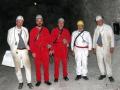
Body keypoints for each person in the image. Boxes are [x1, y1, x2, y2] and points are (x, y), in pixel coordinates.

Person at [7, 15, 33, 89]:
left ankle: (29, 82)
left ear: (22, 22)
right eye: (18, 21)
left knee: (28, 67)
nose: (20, 22)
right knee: (17, 68)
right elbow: (9, 41)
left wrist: (25, 45)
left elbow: (27, 38)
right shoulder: (11, 30)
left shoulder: (25, 29)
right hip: (16, 51)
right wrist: (14, 48)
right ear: (16, 22)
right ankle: (20, 82)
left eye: (21, 21)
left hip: (24, 50)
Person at [29, 14, 52, 86]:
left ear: (42, 21)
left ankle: (46, 80)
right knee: (37, 67)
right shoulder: (32, 30)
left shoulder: (46, 30)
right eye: (38, 21)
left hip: (45, 50)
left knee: (46, 66)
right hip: (37, 51)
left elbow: (50, 40)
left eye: (40, 21)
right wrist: (32, 51)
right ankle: (38, 80)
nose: (39, 22)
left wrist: (50, 48)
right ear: (36, 22)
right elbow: (31, 42)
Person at [93, 15, 115, 82]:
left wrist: (112, 46)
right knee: (99, 61)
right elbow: (94, 38)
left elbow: (112, 37)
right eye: (97, 21)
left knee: (107, 61)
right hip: (98, 47)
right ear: (96, 22)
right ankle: (102, 74)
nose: (99, 22)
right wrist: (94, 47)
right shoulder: (96, 29)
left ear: (102, 20)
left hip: (106, 47)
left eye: (100, 20)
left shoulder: (108, 27)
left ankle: (110, 75)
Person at [51, 18, 71, 82]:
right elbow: (51, 40)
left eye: (62, 23)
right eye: (60, 22)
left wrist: (67, 41)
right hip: (56, 49)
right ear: (58, 23)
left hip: (64, 49)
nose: (61, 24)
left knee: (64, 64)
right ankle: (56, 77)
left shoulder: (66, 31)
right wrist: (51, 49)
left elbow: (69, 39)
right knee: (56, 64)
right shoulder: (54, 30)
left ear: (63, 24)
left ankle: (65, 76)